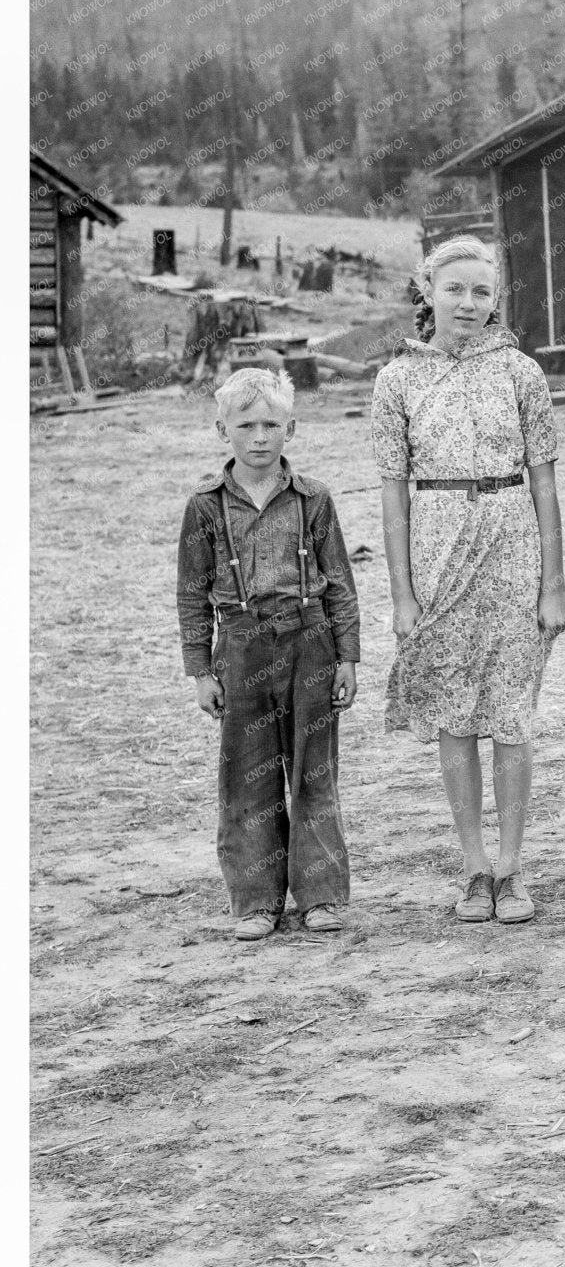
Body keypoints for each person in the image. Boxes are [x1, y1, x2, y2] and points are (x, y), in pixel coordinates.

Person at [371, 235, 565, 924]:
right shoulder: (397, 379)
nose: (468, 303)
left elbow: (546, 486)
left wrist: (554, 583)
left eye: (481, 292)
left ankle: (513, 869)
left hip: (512, 540)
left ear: (496, 300)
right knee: (454, 714)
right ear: (427, 290)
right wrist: (402, 593)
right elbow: (393, 496)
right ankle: (474, 869)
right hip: (435, 543)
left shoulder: (522, 373)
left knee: (511, 713)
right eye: (454, 288)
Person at [177, 367, 361, 940]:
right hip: (240, 644)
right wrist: (200, 670)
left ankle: (321, 896)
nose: (260, 436)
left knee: (313, 771)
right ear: (222, 429)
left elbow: (340, 583)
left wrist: (347, 658)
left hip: (310, 643)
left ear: (292, 428)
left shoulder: (314, 500)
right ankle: (256, 900)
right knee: (247, 776)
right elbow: (190, 592)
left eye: (272, 425)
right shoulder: (205, 506)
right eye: (247, 425)